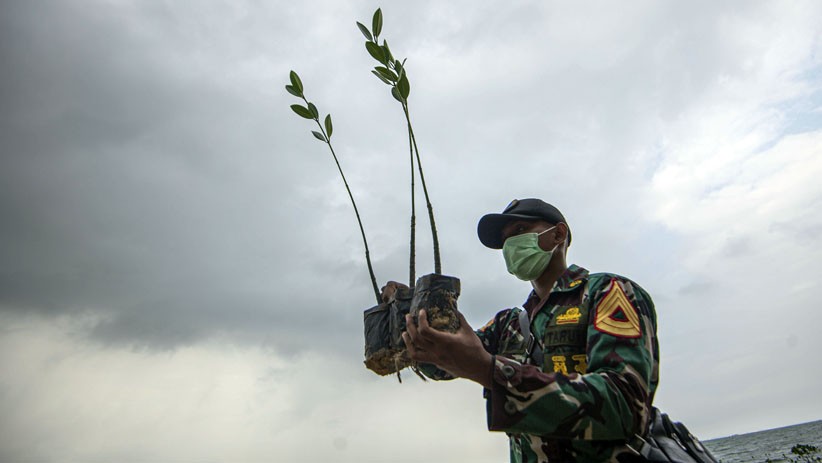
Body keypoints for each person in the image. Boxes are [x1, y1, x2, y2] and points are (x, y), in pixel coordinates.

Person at [392, 198, 661, 463]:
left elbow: (625, 406)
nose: (511, 245)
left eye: (520, 231)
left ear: (558, 234)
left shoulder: (606, 292)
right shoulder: (508, 324)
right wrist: (408, 315)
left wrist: (492, 371)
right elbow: (445, 360)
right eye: (505, 241)